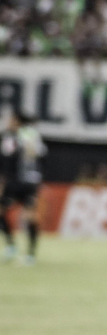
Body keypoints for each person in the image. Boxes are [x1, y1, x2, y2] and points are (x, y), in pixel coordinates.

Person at [0, 112, 47, 265]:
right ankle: (11, 245)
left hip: (28, 181)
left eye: (11, 120)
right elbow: (7, 157)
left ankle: (30, 254)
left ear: (17, 121)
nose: (8, 123)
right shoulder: (8, 136)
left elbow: (37, 153)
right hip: (13, 181)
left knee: (29, 216)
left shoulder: (29, 134)